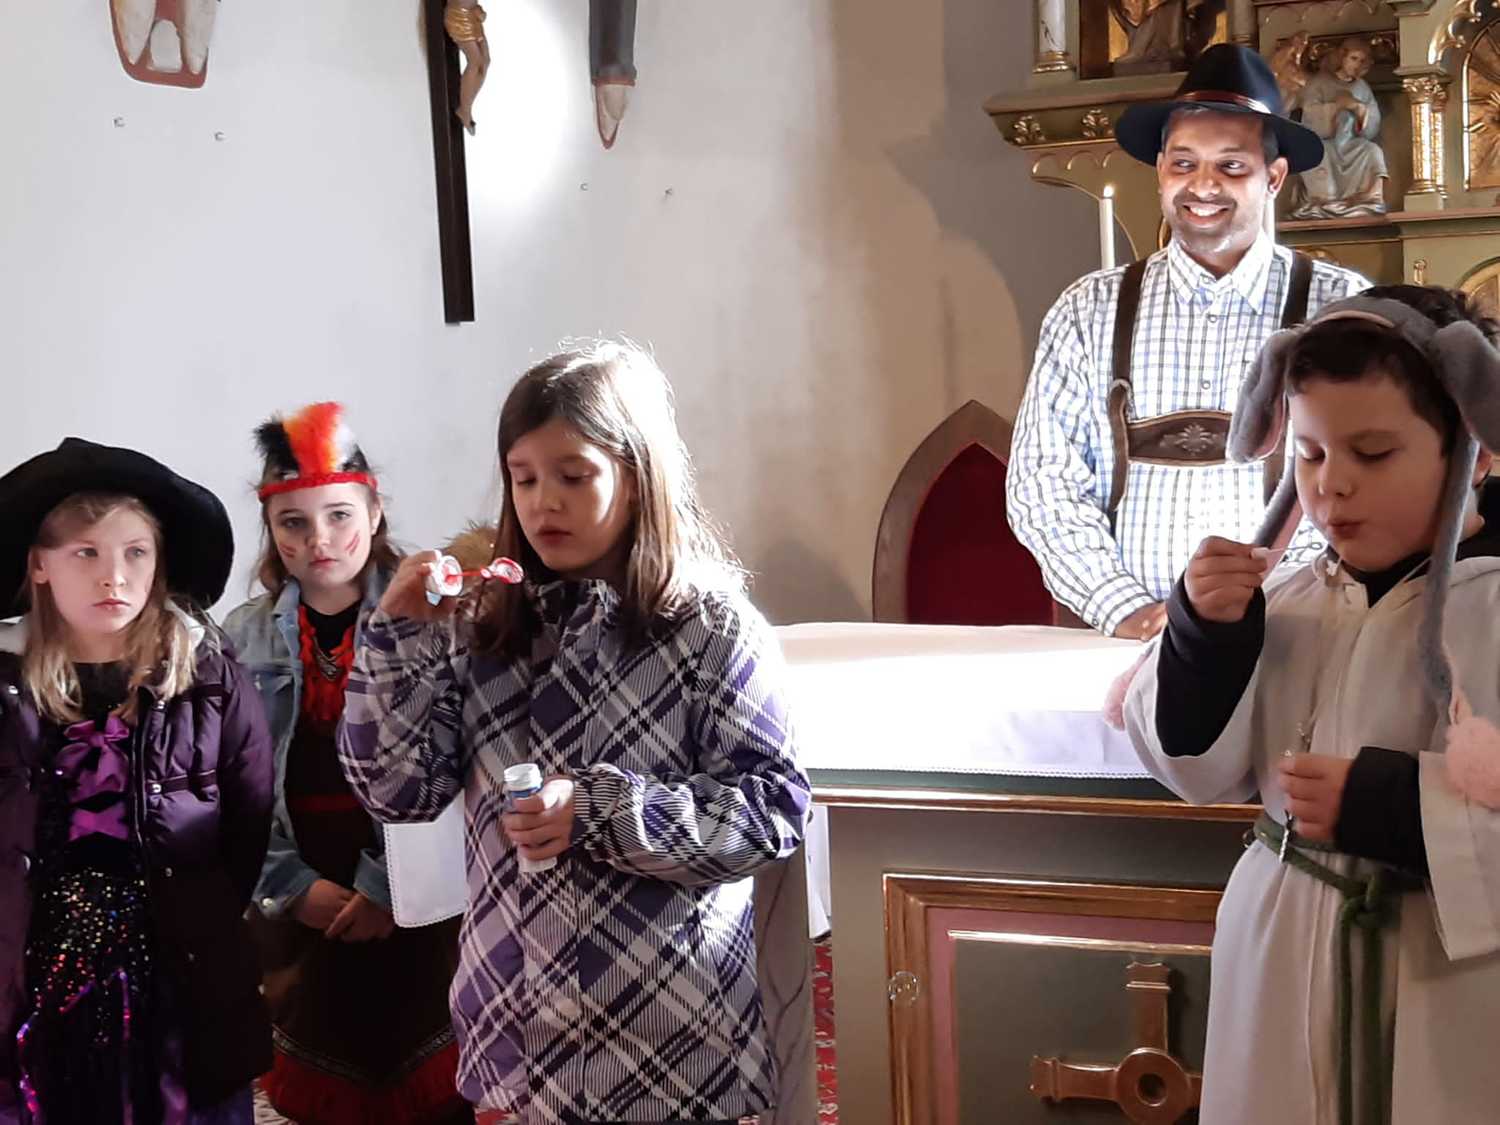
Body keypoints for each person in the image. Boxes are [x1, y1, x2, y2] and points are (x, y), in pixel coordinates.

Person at [339, 342, 811, 1124]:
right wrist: (395, 641)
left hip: (672, 1050)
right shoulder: (485, 627)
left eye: (573, 475)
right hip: (516, 1048)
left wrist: (601, 812)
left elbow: (770, 811)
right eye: (523, 478)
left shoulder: (712, 629)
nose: (542, 503)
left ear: (637, 475)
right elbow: (397, 790)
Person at [1122, 285, 1500, 1122]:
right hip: (1279, 957)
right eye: (1310, 452)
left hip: (1449, 985)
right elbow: (1193, 771)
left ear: (1473, 453)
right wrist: (1206, 639)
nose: (1333, 486)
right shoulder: (1288, 598)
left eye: (1374, 453)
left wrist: (1400, 808)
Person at [1007, 42, 1367, 639]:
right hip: (1130, 647)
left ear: (1274, 178)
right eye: (1183, 163)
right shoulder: (1087, 311)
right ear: (1160, 170)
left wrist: (1268, 607)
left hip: (1301, 638)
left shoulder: (1341, 308)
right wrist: (1126, 608)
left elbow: (1365, 480)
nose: (1203, 186)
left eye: (1231, 167)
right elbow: (1042, 485)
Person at [0, 438, 272, 1123]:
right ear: (39, 565)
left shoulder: (207, 673)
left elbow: (247, 820)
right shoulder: (5, 684)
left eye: (135, 553)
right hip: (33, 975)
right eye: (85, 554)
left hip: (176, 972)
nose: (112, 577)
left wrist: (198, 915)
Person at [223, 402, 468, 1124]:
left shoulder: (434, 618)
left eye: (338, 515)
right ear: (270, 528)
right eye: (293, 522)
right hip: (305, 890)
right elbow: (229, 785)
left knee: (434, 1087)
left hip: (411, 878)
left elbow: (456, 758)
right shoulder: (241, 636)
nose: (319, 539)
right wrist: (291, 887)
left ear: (375, 510)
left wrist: (389, 885)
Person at [1288, 35, 1388, 219]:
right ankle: (1325, 200)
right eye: (1353, 58)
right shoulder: (1319, 82)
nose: (1357, 65)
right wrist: (1336, 107)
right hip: (1324, 142)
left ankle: (1369, 197)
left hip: (1350, 144)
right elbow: (1309, 113)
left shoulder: (1362, 87)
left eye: (1362, 61)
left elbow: (1372, 125)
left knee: (1372, 151)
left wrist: (1359, 109)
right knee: (1319, 152)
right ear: (1342, 57)